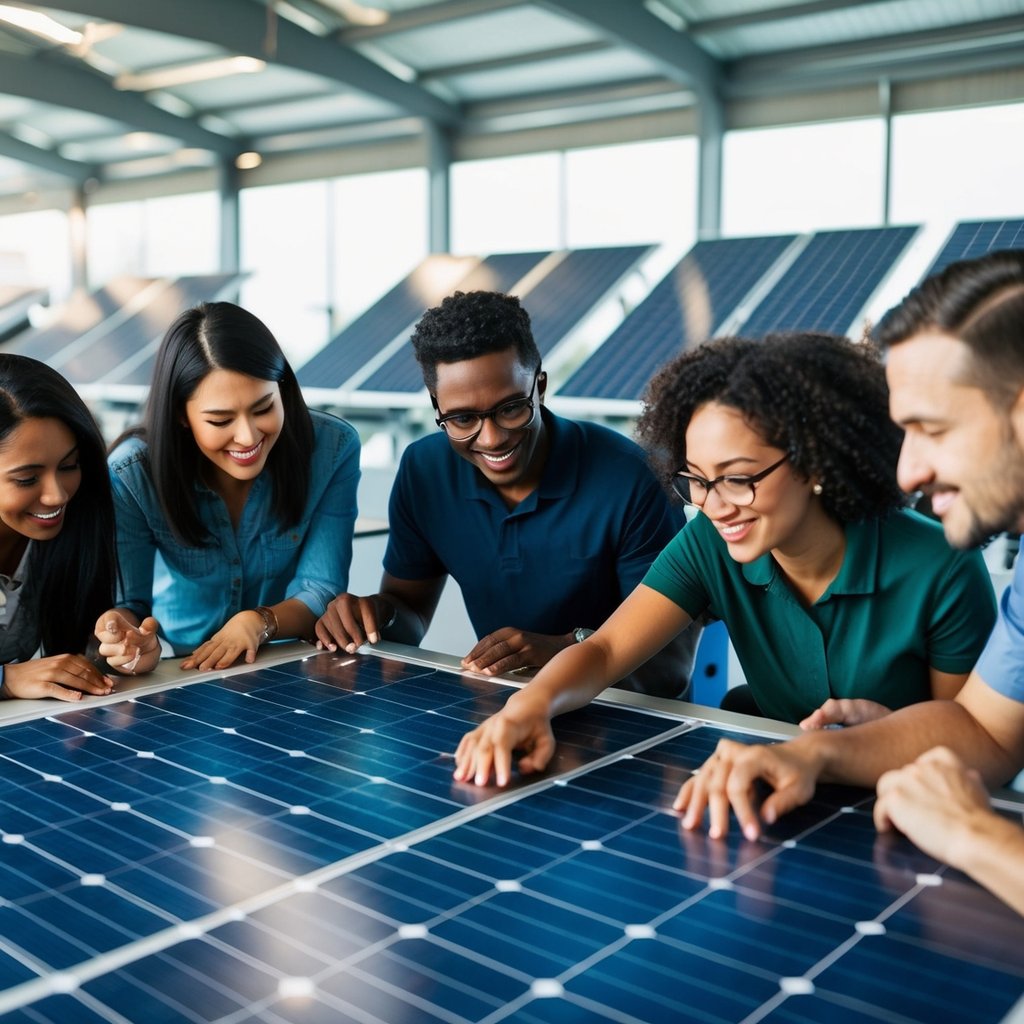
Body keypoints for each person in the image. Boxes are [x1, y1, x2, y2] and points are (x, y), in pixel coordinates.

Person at [452, 330, 995, 780]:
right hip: (769, 783)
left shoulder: (943, 566)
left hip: (911, 792)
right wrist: (528, 707)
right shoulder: (712, 540)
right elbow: (607, 649)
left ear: (818, 463)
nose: (715, 506)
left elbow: (974, 740)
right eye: (697, 481)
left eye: (738, 479)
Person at [667, 249, 1024, 917]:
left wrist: (975, 835)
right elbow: (987, 732)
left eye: (932, 429)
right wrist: (819, 756)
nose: (909, 473)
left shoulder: (935, 561)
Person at [315, 289, 697, 697]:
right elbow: (410, 615)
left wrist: (566, 650)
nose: (493, 438)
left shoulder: (632, 479)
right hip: (503, 708)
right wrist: (375, 615)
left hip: (628, 717)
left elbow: (671, 668)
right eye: (462, 418)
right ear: (436, 406)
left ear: (541, 386)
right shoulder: (423, 471)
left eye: (512, 408)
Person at [106, 301, 360, 671]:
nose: (248, 436)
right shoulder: (132, 473)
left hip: (284, 661)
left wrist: (258, 622)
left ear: (282, 389)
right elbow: (129, 603)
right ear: (181, 414)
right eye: (221, 420)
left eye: (263, 409)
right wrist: (125, 639)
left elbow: (322, 589)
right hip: (181, 665)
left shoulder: (332, 448)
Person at [0, 354, 143, 700]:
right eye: (27, 478)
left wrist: (122, 651)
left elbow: (84, 650)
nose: (57, 495)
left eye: (69, 465)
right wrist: (5, 678)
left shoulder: (77, 525)